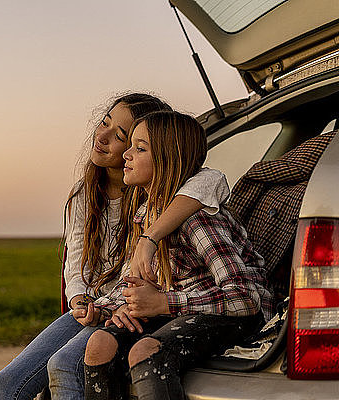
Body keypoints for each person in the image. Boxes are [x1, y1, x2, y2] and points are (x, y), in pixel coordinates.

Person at [0, 94, 230, 400]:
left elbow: (212, 181)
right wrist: (79, 299)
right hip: (98, 304)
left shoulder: (158, 190)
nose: (101, 136)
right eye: (104, 123)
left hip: (134, 308)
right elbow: (75, 264)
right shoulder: (85, 194)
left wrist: (149, 237)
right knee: (5, 385)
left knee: (64, 365)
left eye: (120, 136)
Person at [82, 110, 274, 400]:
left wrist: (162, 302)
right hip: (182, 308)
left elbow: (246, 298)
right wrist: (108, 308)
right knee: (100, 344)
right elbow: (141, 283)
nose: (127, 155)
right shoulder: (147, 215)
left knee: (146, 351)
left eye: (140, 148)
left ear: (168, 160)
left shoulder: (198, 219)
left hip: (233, 314)